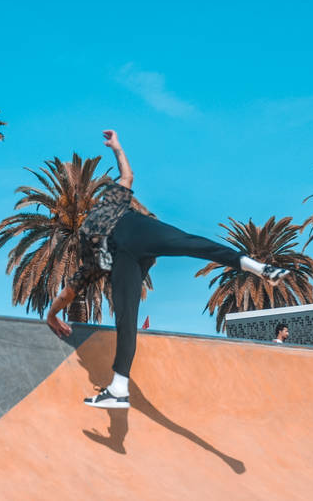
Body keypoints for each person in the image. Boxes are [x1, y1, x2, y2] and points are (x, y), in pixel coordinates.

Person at [46, 130, 290, 409]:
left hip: (123, 254)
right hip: (140, 229)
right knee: (190, 242)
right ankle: (254, 266)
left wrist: (52, 314)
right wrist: (117, 147)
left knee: (127, 321)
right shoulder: (110, 202)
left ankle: (119, 387)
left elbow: (68, 292)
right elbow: (127, 176)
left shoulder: (89, 258)